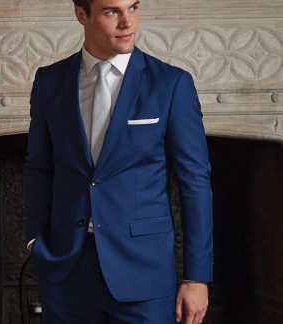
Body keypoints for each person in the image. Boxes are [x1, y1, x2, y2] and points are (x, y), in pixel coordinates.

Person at [23, 0, 213, 323]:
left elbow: (194, 182)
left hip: (144, 275)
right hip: (67, 272)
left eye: (134, 7)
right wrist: (33, 240)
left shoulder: (171, 84)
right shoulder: (49, 82)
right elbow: (39, 167)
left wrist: (197, 277)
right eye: (112, 11)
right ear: (81, 14)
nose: (128, 22)